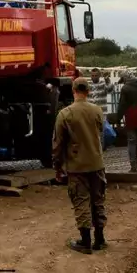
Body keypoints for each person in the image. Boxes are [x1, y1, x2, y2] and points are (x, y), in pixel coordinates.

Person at [52, 77, 107, 254]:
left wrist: (57, 166)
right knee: (97, 200)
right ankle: (100, 239)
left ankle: (85, 242)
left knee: (81, 200)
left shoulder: (65, 114)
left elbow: (58, 143)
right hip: (97, 163)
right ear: (88, 91)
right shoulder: (97, 110)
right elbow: (100, 132)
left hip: (77, 166)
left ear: (73, 91)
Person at [114, 71, 137, 172]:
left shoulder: (125, 88)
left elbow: (122, 105)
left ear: (124, 78)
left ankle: (133, 166)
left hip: (131, 116)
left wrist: (118, 118)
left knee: (132, 141)